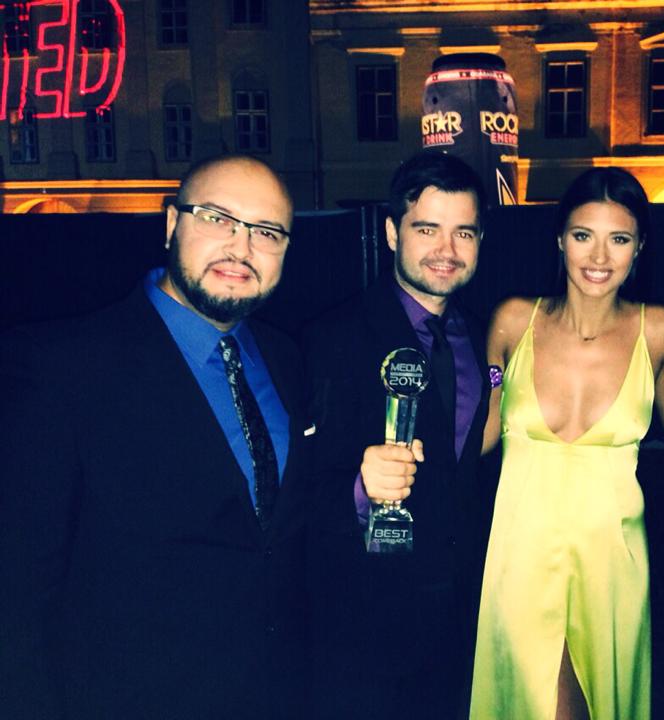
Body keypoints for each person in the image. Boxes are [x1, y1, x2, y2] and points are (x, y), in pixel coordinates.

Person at [0, 155, 314, 718]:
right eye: (217, 218)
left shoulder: (287, 359)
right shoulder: (61, 367)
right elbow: (18, 592)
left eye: (266, 232)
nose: (241, 248)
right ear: (171, 224)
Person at [469, 167, 664, 720]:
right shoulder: (512, 322)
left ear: (639, 247)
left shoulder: (659, 331)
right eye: (583, 235)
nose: (599, 256)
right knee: (530, 700)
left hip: (610, 562)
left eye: (618, 238)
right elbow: (480, 434)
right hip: (520, 555)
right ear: (560, 239)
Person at [304, 151, 491, 719]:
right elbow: (294, 487)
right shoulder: (330, 337)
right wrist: (360, 488)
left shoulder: (484, 337)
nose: (446, 249)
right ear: (391, 233)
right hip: (365, 619)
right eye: (427, 228)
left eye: (464, 232)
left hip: (461, 615)